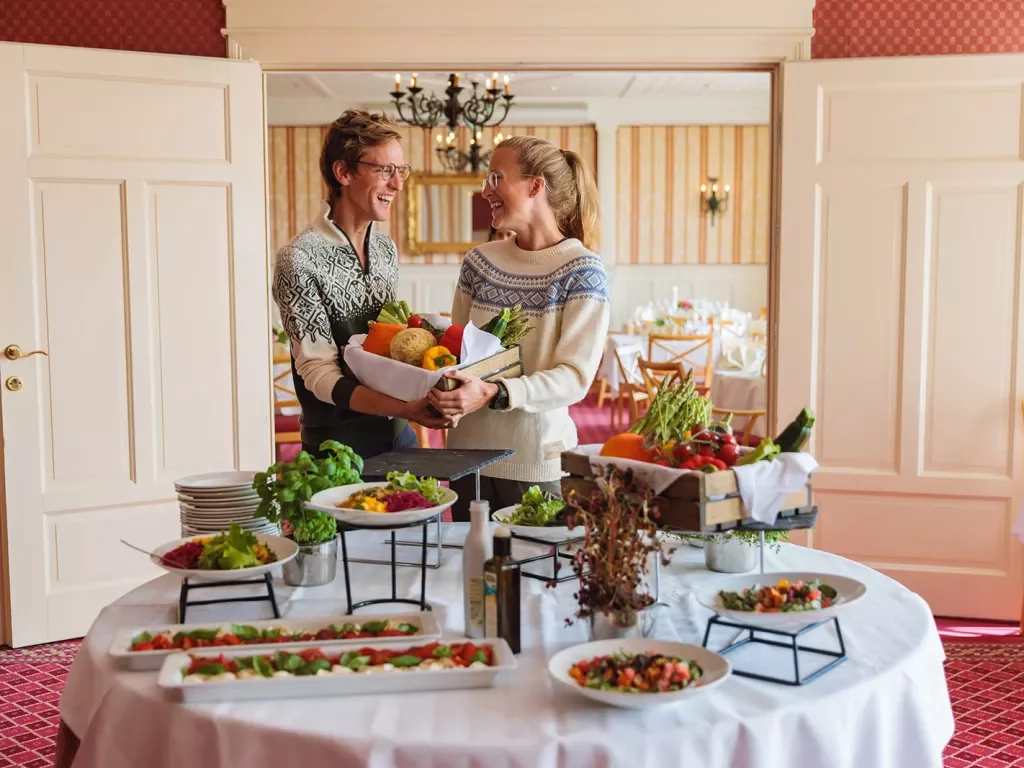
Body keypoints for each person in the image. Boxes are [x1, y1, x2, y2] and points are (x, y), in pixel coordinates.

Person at [429, 136, 610, 519]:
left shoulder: (583, 270)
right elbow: (458, 354)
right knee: (471, 574)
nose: (484, 191)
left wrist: (496, 392)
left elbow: (575, 378)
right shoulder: (478, 262)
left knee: (537, 575)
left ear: (535, 185)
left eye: (496, 178)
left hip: (535, 460)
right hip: (466, 459)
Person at [273, 109, 450, 460]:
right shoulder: (298, 259)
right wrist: (404, 408)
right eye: (385, 170)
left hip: (399, 436)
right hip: (337, 448)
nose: (397, 184)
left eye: (401, 171)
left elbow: (385, 346)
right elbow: (318, 373)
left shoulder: (385, 250)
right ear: (344, 172)